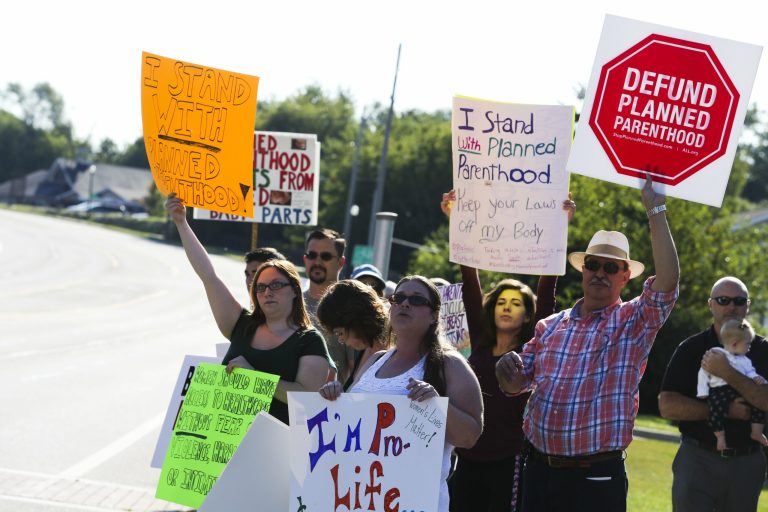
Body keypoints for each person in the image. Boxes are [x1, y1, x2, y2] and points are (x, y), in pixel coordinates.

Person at [496, 175, 679, 512]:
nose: (600, 273)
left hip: (596, 477)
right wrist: (506, 371)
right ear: (582, 270)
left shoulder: (633, 321)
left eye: (611, 268)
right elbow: (516, 384)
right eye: (592, 264)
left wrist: (656, 209)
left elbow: (667, 283)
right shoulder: (549, 326)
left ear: (625, 277)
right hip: (539, 470)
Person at [440, 190, 574, 512]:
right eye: (500, 302)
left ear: (528, 315)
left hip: (508, 461)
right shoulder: (481, 343)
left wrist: (559, 228)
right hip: (467, 456)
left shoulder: (532, 348)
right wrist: (458, 222)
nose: (506, 308)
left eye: (515, 304)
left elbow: (546, 294)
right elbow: (470, 281)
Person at [319, 275, 484, 512]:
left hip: (414, 502)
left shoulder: (450, 364)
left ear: (434, 315)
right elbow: (350, 425)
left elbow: (470, 437)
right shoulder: (375, 360)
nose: (405, 304)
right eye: (399, 298)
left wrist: (437, 404)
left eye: (417, 300)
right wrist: (336, 397)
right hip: (363, 498)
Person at [165, 193, 334, 424]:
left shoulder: (309, 340)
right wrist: (181, 222)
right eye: (261, 287)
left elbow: (307, 397)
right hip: (225, 447)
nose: (267, 292)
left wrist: (255, 378)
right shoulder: (242, 325)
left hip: (273, 454)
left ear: (295, 290)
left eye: (276, 285)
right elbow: (209, 276)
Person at [659, 276, 768, 511]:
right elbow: (667, 405)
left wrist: (727, 372)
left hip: (747, 462)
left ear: (747, 306)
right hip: (697, 457)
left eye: (738, 301)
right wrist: (724, 411)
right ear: (711, 304)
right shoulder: (691, 348)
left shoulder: (763, 350)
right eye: (723, 300)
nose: (731, 306)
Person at [697, 319, 768, 451]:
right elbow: (703, 372)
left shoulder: (745, 360)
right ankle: (720, 437)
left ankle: (756, 432)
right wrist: (702, 391)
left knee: (758, 407)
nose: (749, 347)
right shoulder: (717, 353)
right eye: (747, 344)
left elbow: (750, 373)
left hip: (739, 390)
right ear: (735, 344)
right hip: (719, 390)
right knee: (715, 410)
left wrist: (758, 379)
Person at [316, 279, 389, 389]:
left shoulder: (396, 353)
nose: (341, 341)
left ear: (356, 322)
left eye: (340, 333)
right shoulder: (364, 350)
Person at [303, 228, 354, 383]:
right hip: (289, 401)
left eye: (325, 256)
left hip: (330, 404)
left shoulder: (351, 308)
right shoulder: (290, 302)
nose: (317, 262)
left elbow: (356, 370)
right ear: (305, 259)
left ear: (341, 262)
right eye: (312, 255)